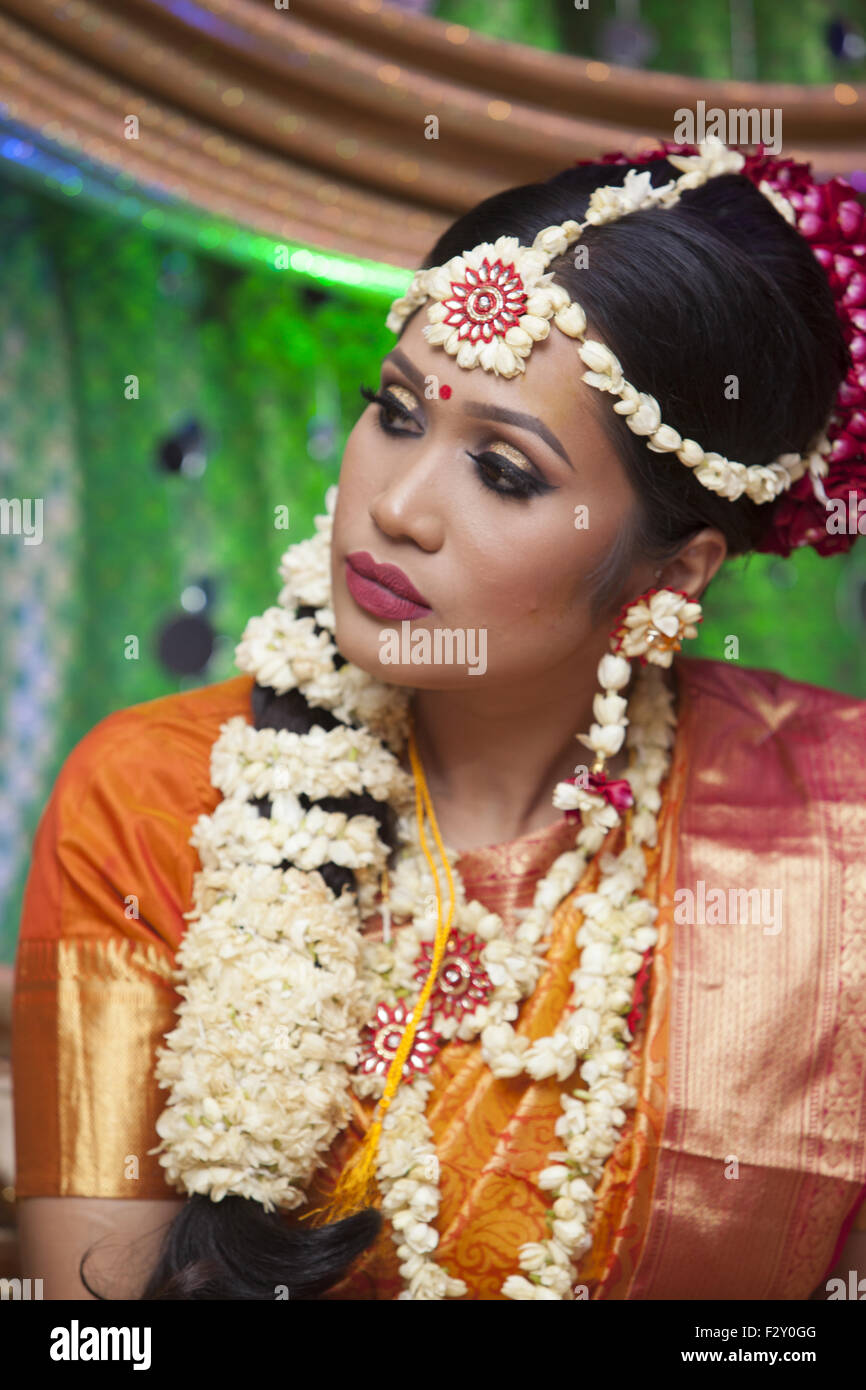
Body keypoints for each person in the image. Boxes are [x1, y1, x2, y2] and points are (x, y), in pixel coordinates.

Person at [13, 138, 866, 1301]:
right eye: (397, 412)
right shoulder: (157, 798)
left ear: (672, 576)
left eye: (505, 472)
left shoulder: (838, 823)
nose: (397, 507)